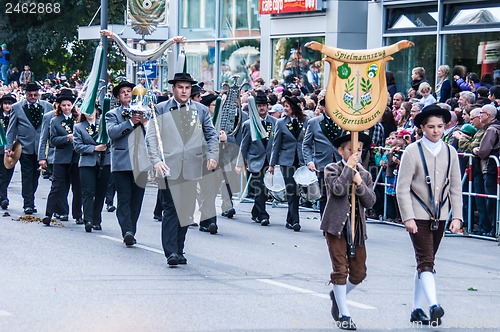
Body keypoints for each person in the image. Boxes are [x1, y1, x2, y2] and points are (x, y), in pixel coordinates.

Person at [396, 104, 463, 326]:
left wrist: (457, 217)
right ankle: (434, 305)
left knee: (425, 260)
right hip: (417, 214)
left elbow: (455, 187)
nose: (436, 131)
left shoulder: (451, 152)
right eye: (431, 127)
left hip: (441, 215)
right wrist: (407, 217)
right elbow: (402, 187)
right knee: (426, 260)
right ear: (422, 127)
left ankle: (416, 309)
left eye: (440, 126)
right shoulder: (412, 151)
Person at [146, 71, 218, 266]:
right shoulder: (160, 109)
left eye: (187, 88)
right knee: (171, 208)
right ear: (173, 89)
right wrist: (156, 161)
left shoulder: (201, 110)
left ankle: (179, 248)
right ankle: (170, 251)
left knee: (186, 211)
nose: (184, 91)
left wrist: (212, 156)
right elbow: (151, 137)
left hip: (193, 167)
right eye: (180, 87)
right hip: (168, 166)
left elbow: (211, 135)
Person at [322, 132, 375, 331]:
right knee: (340, 269)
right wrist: (348, 169)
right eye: (351, 150)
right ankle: (344, 314)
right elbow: (337, 189)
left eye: (359, 150)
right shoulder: (332, 169)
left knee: (359, 272)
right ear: (341, 151)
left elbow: (370, 201)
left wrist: (359, 182)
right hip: (336, 227)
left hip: (357, 228)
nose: (356, 153)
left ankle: (337, 295)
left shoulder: (366, 174)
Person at [106, 81, 149, 246]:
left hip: (141, 162)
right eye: (123, 92)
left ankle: (132, 229)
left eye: (129, 91)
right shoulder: (112, 114)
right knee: (124, 198)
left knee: (136, 200)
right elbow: (112, 132)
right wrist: (131, 122)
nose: (126, 94)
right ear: (118, 96)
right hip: (122, 162)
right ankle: (127, 231)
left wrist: (144, 122)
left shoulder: (144, 112)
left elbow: (153, 133)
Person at [5, 82, 54, 214]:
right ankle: (28, 204)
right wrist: (9, 146)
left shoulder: (47, 106)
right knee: (26, 175)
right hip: (24, 147)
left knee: (35, 176)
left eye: (35, 94)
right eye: (30, 95)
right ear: (25, 94)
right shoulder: (17, 107)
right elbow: (11, 129)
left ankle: (30, 198)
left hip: (41, 149)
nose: (33, 97)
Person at [42, 89, 83, 226]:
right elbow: (53, 140)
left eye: (69, 105)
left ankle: (78, 215)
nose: (66, 108)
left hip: (76, 157)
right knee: (57, 186)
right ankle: (48, 213)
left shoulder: (78, 119)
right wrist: (66, 138)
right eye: (64, 105)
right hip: (61, 157)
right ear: (59, 106)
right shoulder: (55, 120)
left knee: (77, 188)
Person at [236, 92, 277, 226]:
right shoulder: (248, 124)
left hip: (269, 160)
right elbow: (244, 145)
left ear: (267, 106)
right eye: (259, 106)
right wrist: (241, 162)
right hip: (255, 160)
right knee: (259, 188)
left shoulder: (275, 122)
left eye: (264, 105)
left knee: (265, 189)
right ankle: (263, 215)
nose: (262, 108)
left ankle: (256, 212)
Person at [269, 95, 309, 231]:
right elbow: (276, 145)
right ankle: (296, 220)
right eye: (284, 106)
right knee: (291, 189)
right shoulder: (280, 123)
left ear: (294, 107)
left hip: (301, 160)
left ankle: (289, 219)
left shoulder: (306, 121)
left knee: (298, 190)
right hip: (287, 161)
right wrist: (272, 164)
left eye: (287, 106)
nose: (284, 109)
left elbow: (309, 142)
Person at [73, 107, 111, 232]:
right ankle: (88, 219)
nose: (90, 113)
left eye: (92, 110)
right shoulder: (79, 127)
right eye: (87, 111)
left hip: (104, 162)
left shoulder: (104, 124)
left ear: (97, 111)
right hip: (87, 163)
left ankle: (97, 219)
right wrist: (94, 148)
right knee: (88, 192)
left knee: (101, 192)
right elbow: (78, 146)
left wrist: (106, 145)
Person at [302, 104, 342, 217]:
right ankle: (325, 222)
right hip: (322, 162)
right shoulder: (313, 122)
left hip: (339, 162)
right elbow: (306, 144)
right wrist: (309, 161)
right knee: (324, 194)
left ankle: (338, 221)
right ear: (323, 107)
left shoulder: (342, 121)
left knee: (340, 192)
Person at [473, 104, 500, 237]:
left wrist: (476, 150)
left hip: (490, 168)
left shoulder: (491, 130)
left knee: (491, 199)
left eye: (481, 113)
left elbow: (484, 151)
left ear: (488, 115)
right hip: (493, 169)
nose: (479, 115)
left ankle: (493, 228)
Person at [0, 94, 16, 209]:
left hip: (12, 149)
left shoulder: (15, 116)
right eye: (5, 103)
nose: (7, 106)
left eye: (9, 103)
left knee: (7, 174)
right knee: (2, 174)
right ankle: (4, 197)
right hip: (0, 148)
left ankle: (2, 196)